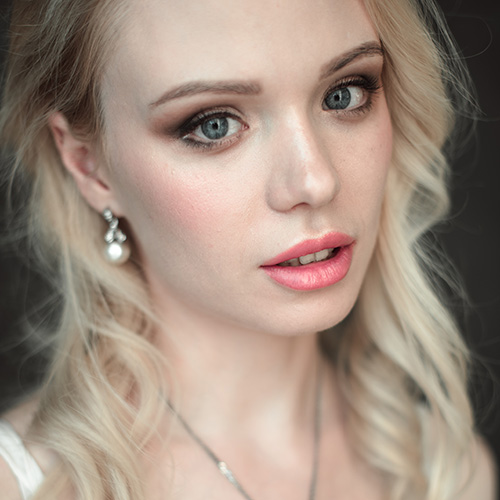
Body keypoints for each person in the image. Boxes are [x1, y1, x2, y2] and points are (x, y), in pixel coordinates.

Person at [0, 0, 496, 499]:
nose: (316, 181)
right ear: (89, 166)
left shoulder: (447, 471)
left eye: (343, 95)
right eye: (214, 124)